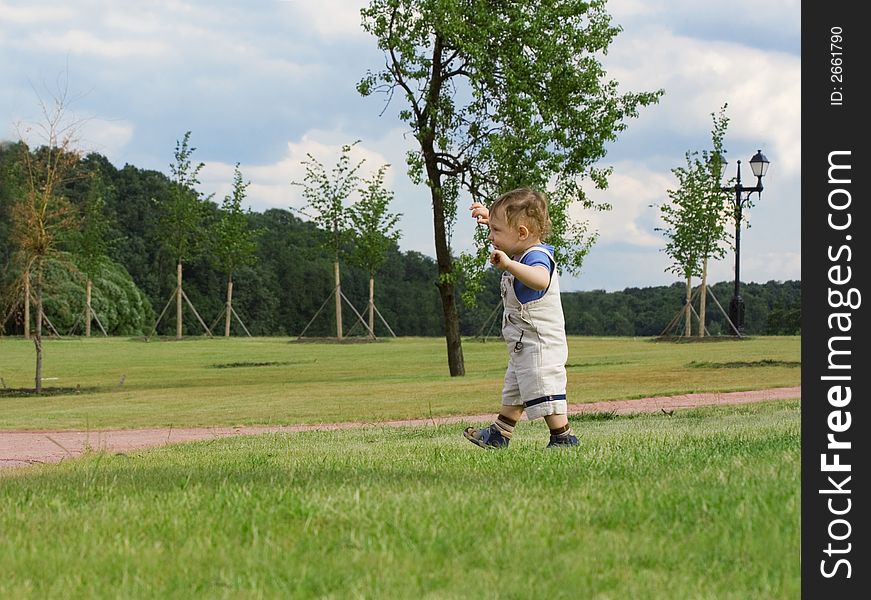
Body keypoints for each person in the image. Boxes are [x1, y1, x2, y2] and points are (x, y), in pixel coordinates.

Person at [463, 187, 579, 449]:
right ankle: (499, 434)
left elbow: (540, 279)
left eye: (496, 231)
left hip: (540, 343)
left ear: (522, 233)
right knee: (515, 389)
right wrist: (490, 216)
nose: (491, 237)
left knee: (543, 387)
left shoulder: (536, 256)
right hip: (522, 342)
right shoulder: (520, 248)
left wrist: (508, 265)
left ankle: (563, 437)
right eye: (491, 229)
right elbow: (509, 234)